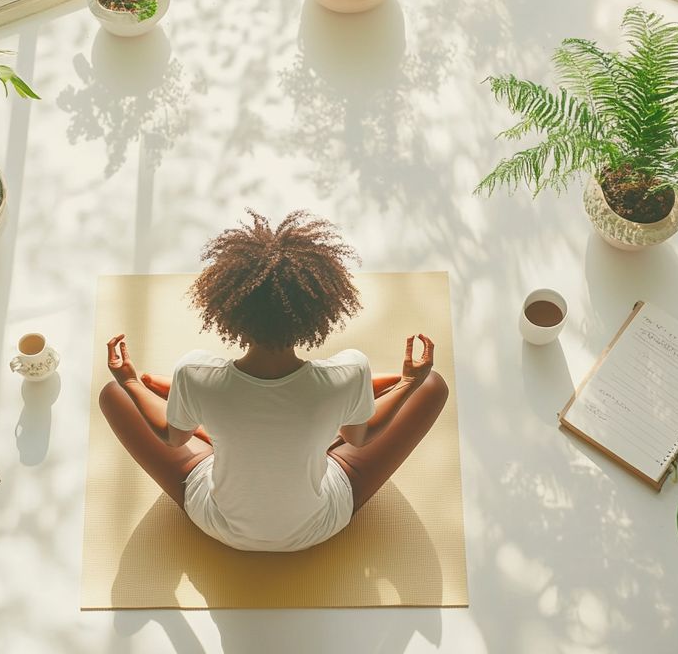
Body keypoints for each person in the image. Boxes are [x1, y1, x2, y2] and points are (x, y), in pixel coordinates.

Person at [98, 210, 448, 552]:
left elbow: (172, 439)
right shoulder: (349, 371)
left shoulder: (195, 373)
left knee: (114, 394)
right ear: (320, 311)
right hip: (318, 527)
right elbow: (359, 438)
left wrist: (130, 381)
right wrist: (406, 383)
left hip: (220, 526)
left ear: (228, 309)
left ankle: (194, 411)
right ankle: (324, 426)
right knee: (431, 386)